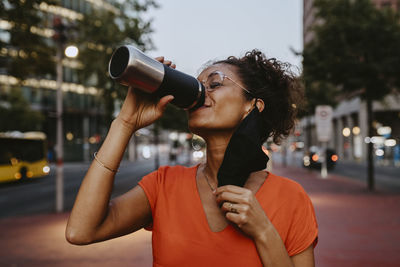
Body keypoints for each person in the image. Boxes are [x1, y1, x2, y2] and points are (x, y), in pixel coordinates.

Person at [66, 50, 318, 267]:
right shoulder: (164, 185)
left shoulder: (291, 198)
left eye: (215, 83)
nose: (199, 94)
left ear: (252, 105)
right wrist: (125, 123)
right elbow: (81, 231)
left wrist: (263, 230)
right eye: (196, 85)